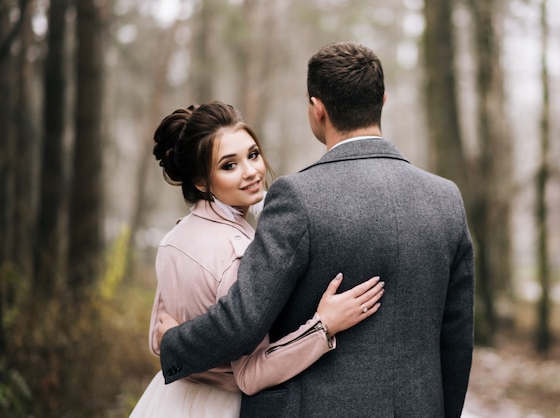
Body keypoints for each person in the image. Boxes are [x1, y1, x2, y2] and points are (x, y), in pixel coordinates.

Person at [157, 42, 475, 417]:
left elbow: (242, 321)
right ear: (383, 100)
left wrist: (173, 343)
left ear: (317, 109)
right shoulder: (446, 198)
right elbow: (457, 338)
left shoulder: (297, 198)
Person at [129, 101, 385, 417]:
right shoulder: (238, 254)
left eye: (252, 155)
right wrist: (323, 327)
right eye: (229, 165)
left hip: (172, 399)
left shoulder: (171, 241)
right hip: (224, 406)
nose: (251, 172)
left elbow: (159, 341)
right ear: (199, 182)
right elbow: (250, 375)